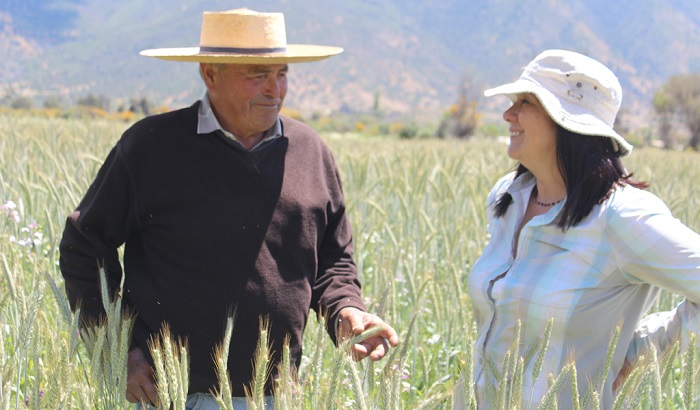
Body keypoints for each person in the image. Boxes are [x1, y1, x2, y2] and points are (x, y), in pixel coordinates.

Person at [59, 8, 398, 409]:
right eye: (257, 75)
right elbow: (84, 246)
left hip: (277, 395)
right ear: (210, 74)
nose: (275, 89)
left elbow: (334, 260)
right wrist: (115, 349)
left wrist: (346, 311)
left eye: (282, 73)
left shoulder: (311, 152)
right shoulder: (151, 147)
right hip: (171, 394)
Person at [456, 49, 700, 409]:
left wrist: (639, 349)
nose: (508, 114)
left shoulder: (623, 217)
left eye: (526, 102)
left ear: (567, 122)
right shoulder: (509, 196)